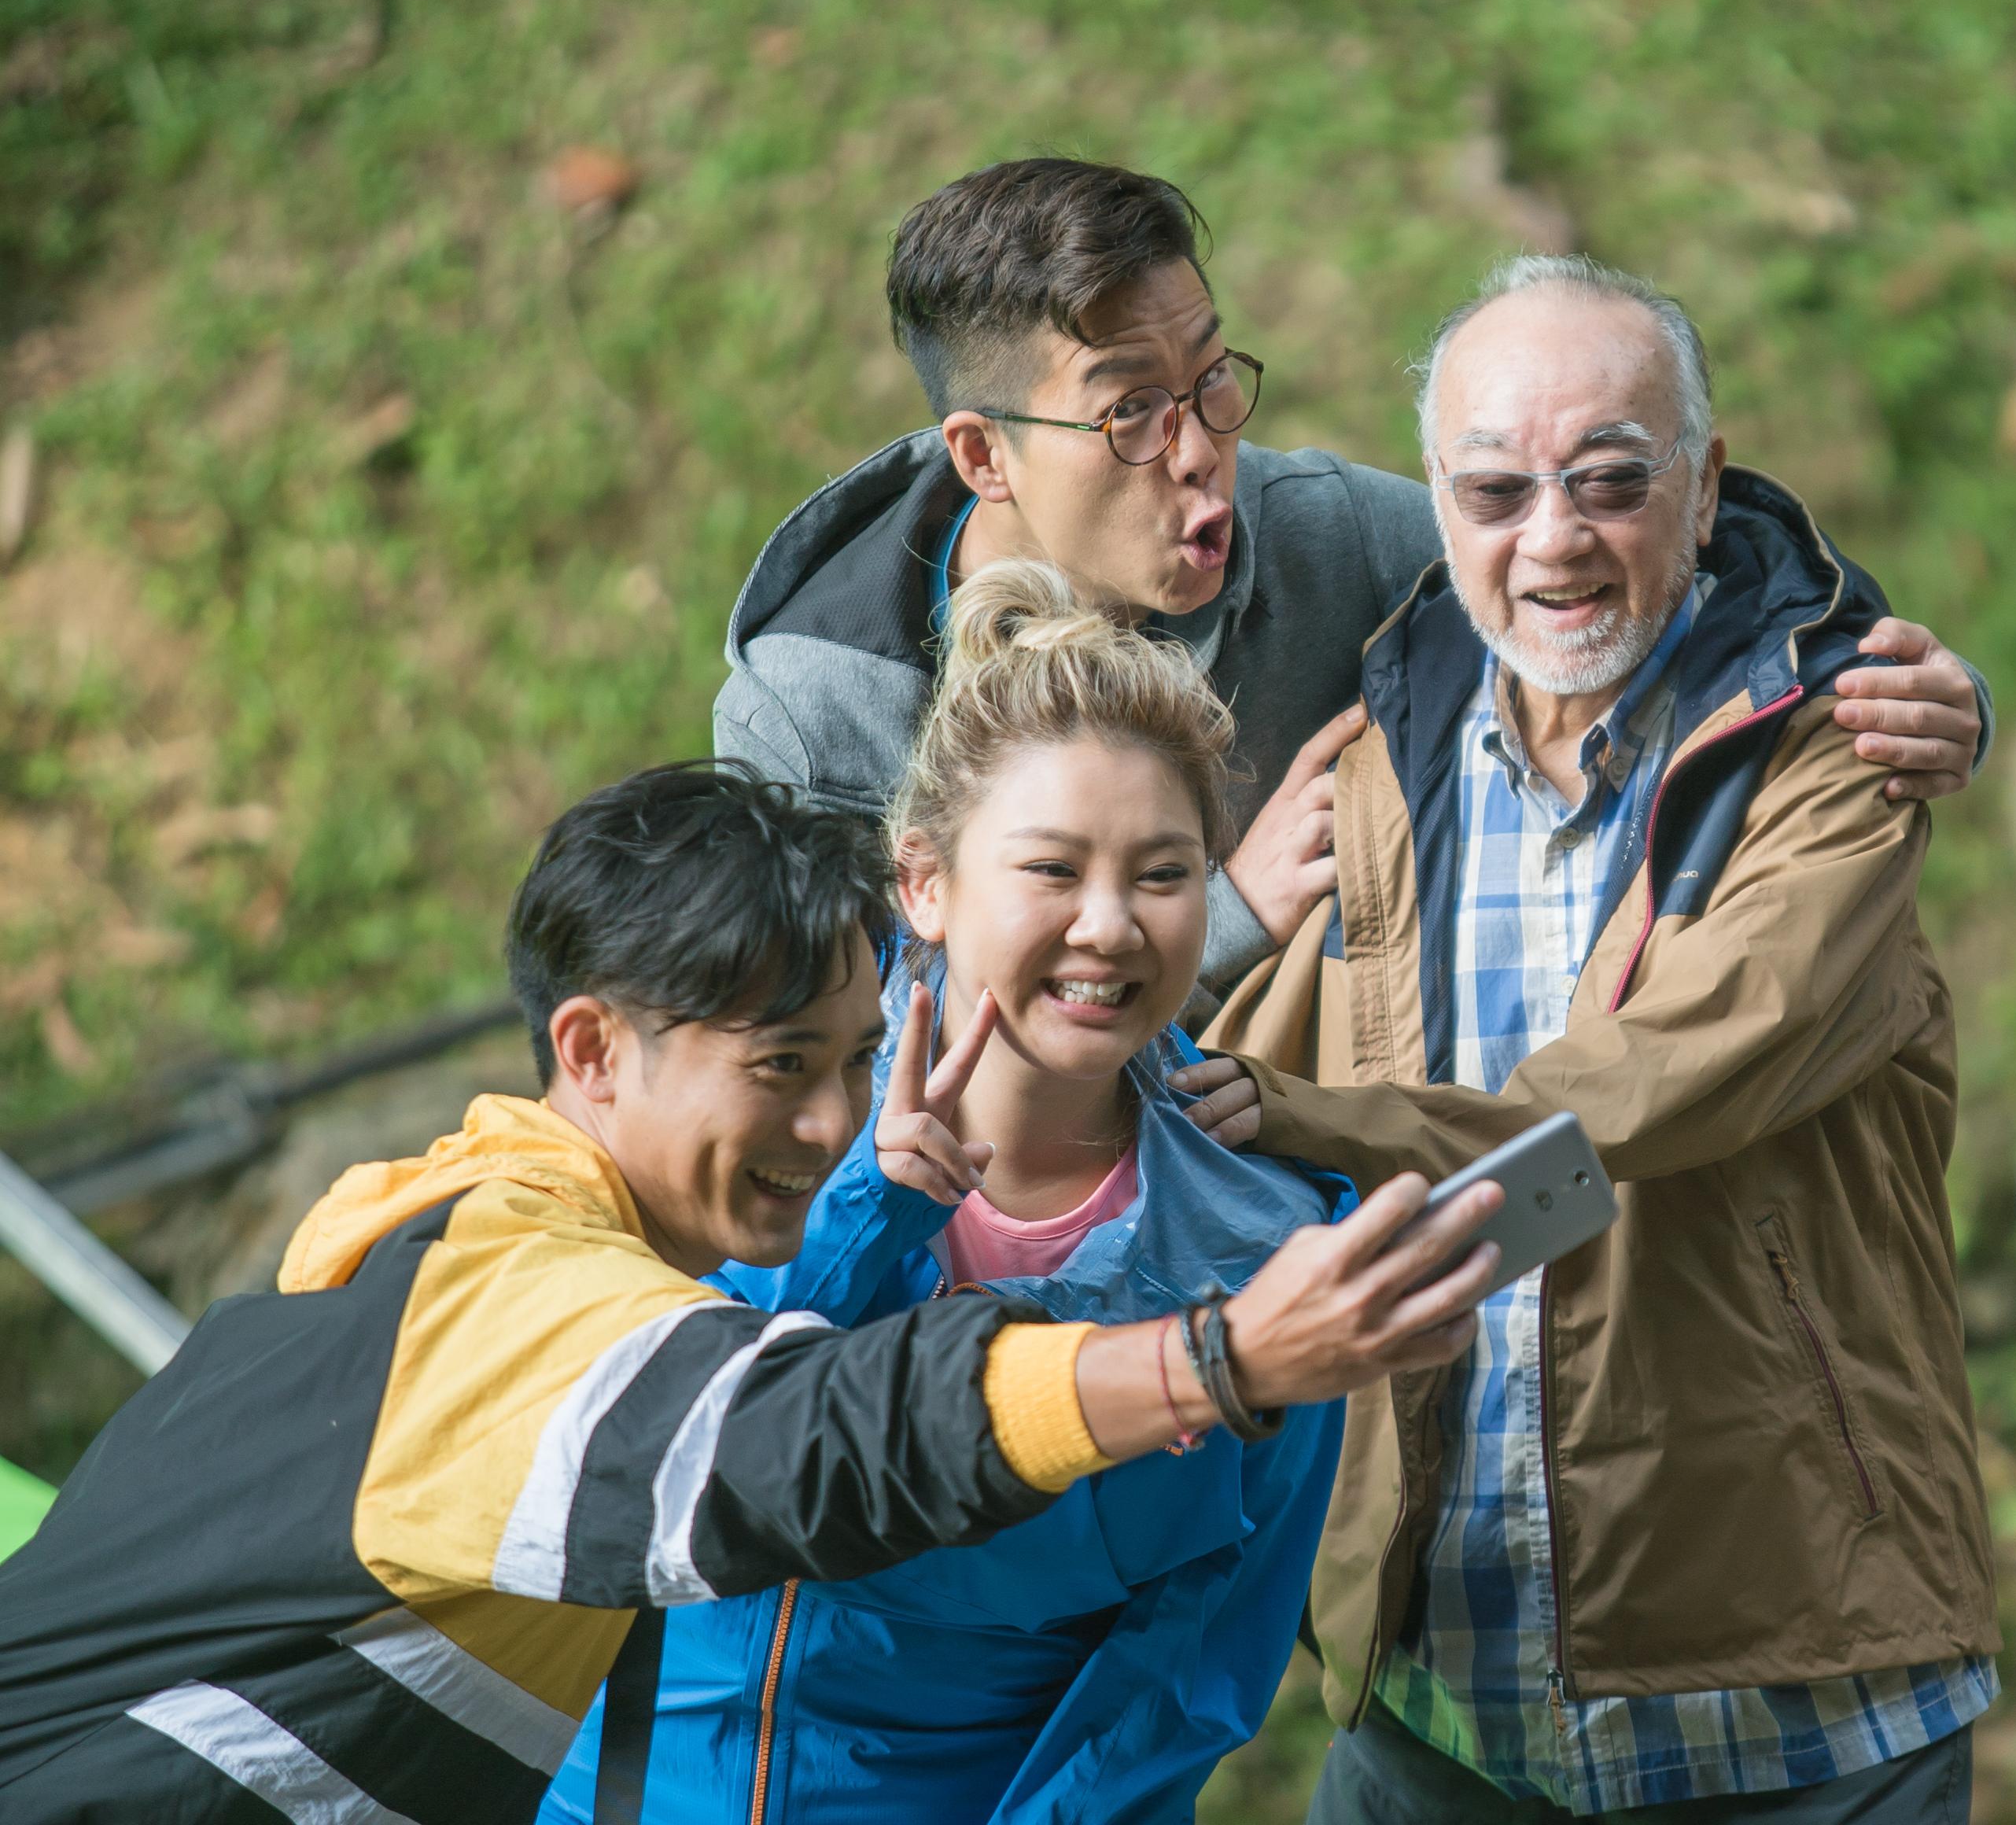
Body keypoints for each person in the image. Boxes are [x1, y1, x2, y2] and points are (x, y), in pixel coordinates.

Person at [0, 762, 1502, 1825]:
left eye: (856, 1058)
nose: (833, 1124)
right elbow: (821, 1436)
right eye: (781, 1067)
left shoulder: (453, 1226)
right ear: (591, 1050)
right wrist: (1217, 1362)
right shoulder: (513, 1317)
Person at [1200, 256, 1999, 1821]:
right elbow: (1177, 1102)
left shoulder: (1829, 754)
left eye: (1611, 481)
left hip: (1794, 1695)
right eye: (1495, 490)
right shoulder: (1370, 771)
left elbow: (1658, 1087)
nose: (1553, 538)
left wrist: (1328, 1126)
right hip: (1444, 1703)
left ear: (1702, 489)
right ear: (1435, 506)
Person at [711, 159, 1993, 1023]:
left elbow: (1612, 544)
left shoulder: (1323, 535)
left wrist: (1883, 678)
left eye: (1212, 378)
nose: (1203, 446)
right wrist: (1222, 918)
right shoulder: (815, 713)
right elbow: (846, 1062)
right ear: (984, 457)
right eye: (1131, 415)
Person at [541, 567, 1350, 1825]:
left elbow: (1188, 1673)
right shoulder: (743, 1114)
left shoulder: (1264, 1250)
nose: (1109, 927)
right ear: (924, 882)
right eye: (1051, 868)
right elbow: (674, 1430)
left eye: (1162, 873)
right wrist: (874, 1206)